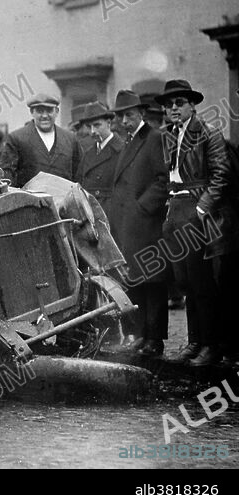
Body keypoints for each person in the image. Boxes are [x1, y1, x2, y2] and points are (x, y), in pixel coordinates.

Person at [157, 78, 230, 368]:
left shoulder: (208, 133)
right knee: (184, 279)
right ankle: (195, 341)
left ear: (191, 106)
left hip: (196, 208)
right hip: (174, 208)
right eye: (169, 104)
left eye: (179, 103)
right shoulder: (168, 135)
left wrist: (201, 209)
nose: (173, 109)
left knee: (201, 280)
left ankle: (211, 346)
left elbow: (220, 175)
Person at [105, 91, 168, 357]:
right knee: (136, 282)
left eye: (129, 114)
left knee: (153, 282)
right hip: (127, 226)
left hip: (146, 225)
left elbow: (163, 180)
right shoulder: (127, 142)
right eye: (120, 116)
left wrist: (143, 207)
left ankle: (155, 339)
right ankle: (141, 336)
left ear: (140, 114)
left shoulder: (154, 138)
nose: (124, 120)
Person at [0, 93, 81, 187]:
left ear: (57, 111)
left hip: (64, 200)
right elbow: (7, 175)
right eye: (40, 111)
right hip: (30, 200)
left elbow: (79, 174)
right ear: (32, 112)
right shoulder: (17, 138)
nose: (45, 116)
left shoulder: (70, 139)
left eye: (49, 110)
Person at [74, 101, 123, 207]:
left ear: (109, 123)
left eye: (97, 125)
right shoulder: (88, 154)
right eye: (89, 126)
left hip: (112, 214)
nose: (92, 131)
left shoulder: (122, 151)